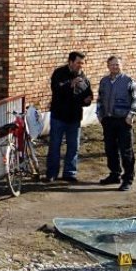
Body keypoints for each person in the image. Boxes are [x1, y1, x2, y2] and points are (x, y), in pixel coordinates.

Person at [47, 51, 93, 182]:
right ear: (70, 62)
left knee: (73, 146)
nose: (80, 66)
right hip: (59, 116)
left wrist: (88, 100)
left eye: (82, 64)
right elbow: (56, 89)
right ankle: (52, 173)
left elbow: (88, 93)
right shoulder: (59, 73)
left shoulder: (83, 76)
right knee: (55, 146)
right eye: (78, 63)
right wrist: (70, 84)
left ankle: (70, 173)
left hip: (74, 117)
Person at [96, 55, 136, 191]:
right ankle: (114, 174)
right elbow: (99, 99)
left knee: (126, 151)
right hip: (108, 120)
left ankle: (127, 179)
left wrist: (131, 115)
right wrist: (100, 115)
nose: (115, 67)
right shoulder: (104, 81)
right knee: (110, 149)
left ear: (121, 65)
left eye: (117, 64)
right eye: (112, 65)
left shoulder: (129, 81)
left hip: (124, 121)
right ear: (108, 66)